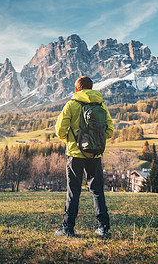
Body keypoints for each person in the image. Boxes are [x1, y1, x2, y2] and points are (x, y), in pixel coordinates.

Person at [54, 76, 114, 237]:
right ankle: (103, 228)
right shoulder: (101, 105)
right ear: (91, 88)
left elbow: (60, 129)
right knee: (97, 191)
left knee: (73, 191)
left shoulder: (72, 105)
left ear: (76, 89)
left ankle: (68, 229)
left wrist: (70, 139)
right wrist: (95, 140)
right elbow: (110, 131)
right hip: (95, 154)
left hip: (75, 154)